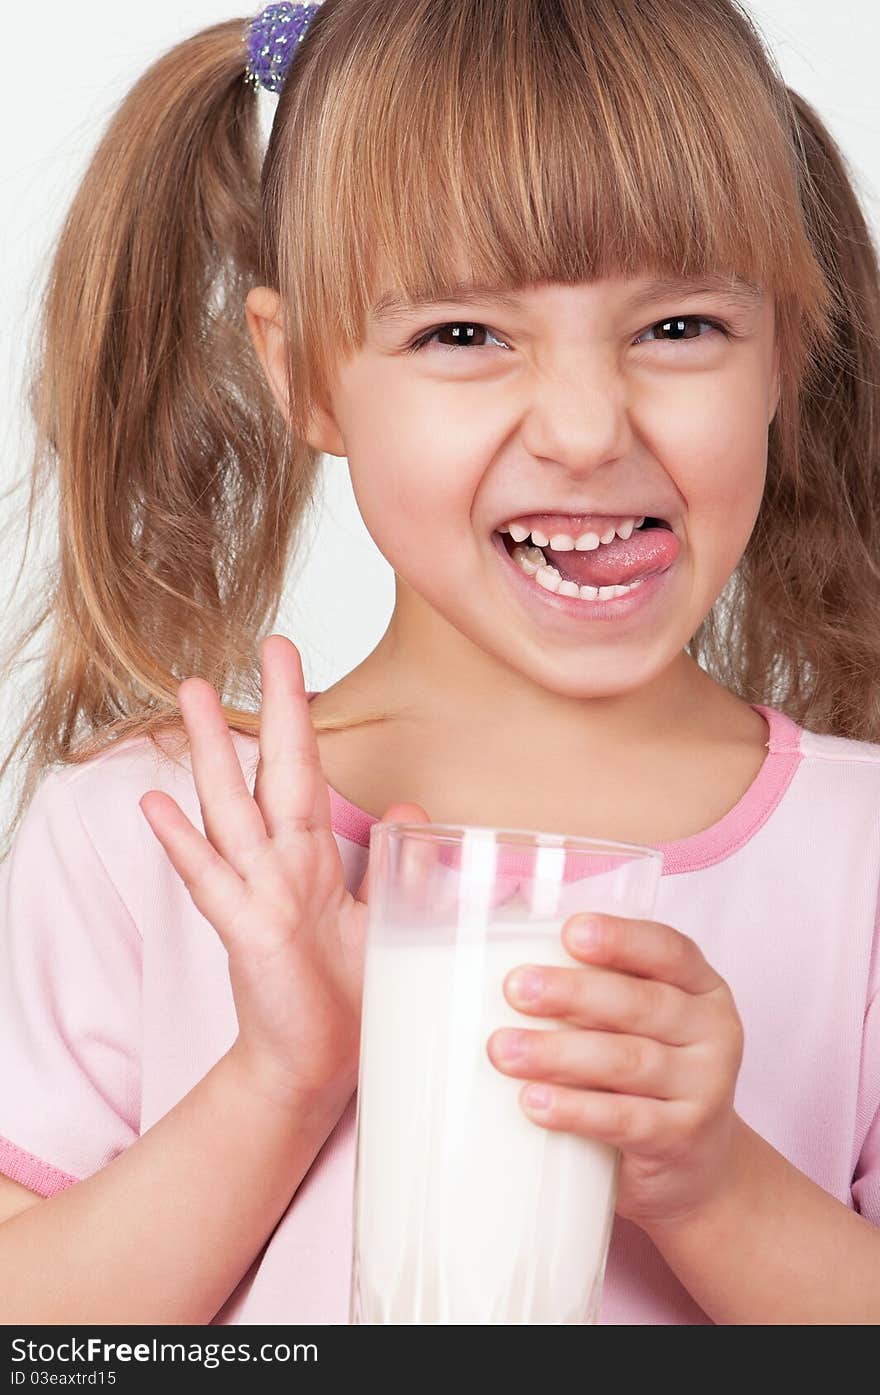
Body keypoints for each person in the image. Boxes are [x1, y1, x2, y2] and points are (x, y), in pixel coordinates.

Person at [0, 0, 878, 1326]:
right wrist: (281, 1081)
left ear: (784, 356)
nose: (587, 429)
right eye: (463, 335)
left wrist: (716, 1186)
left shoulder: (861, 856)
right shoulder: (162, 838)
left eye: (681, 326)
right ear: (302, 377)